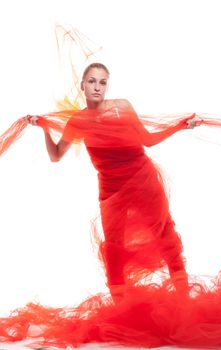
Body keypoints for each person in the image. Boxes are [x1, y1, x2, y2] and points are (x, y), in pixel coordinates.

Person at [28, 62, 202, 301]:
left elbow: (147, 140)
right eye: (91, 81)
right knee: (114, 245)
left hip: (142, 178)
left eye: (102, 82)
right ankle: (121, 309)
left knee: (163, 231)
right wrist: (45, 129)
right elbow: (55, 156)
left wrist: (180, 127)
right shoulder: (78, 121)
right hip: (111, 190)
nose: (97, 87)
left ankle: (184, 299)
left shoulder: (122, 106)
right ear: (82, 86)